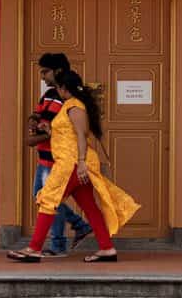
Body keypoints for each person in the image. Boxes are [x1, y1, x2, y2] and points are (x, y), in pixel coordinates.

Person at [9, 69, 140, 264]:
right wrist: (49, 129)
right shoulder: (72, 105)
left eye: (58, 87)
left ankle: (34, 248)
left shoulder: (74, 106)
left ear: (63, 88)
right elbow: (68, 133)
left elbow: (81, 135)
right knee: (90, 207)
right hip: (73, 162)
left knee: (48, 199)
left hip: (71, 163)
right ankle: (106, 248)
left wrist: (80, 163)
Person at [26, 54, 92, 256]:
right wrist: (33, 119)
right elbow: (39, 115)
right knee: (46, 197)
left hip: (57, 158)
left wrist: (34, 137)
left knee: (47, 199)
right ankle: (78, 225)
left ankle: (58, 244)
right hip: (45, 155)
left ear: (58, 71)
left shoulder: (66, 100)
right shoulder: (49, 94)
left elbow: (60, 130)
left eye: (45, 72)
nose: (43, 76)